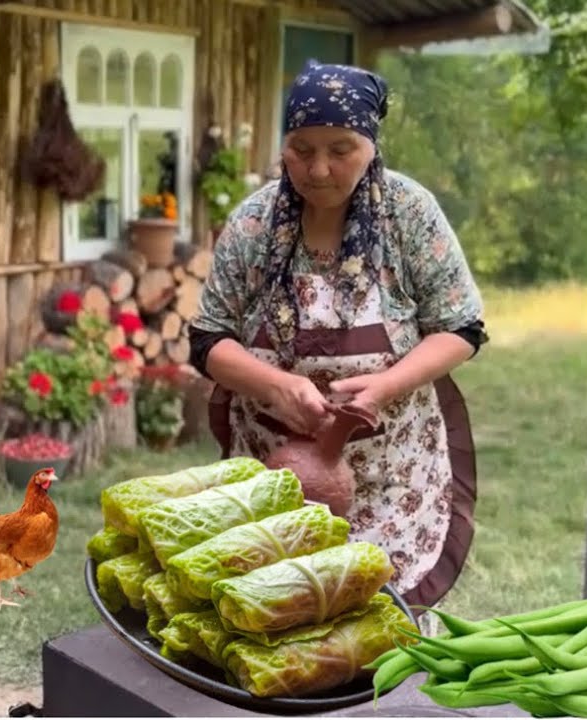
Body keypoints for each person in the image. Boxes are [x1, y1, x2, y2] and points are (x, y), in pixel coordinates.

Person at [189, 60, 487, 612]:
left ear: (372, 144)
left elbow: (462, 327)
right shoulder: (254, 225)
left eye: (340, 148)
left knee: (380, 632)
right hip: (274, 476)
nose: (319, 169)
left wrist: (388, 385)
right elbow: (208, 341)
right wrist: (276, 386)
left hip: (392, 473)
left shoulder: (410, 215)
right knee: (278, 621)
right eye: (302, 149)